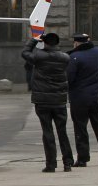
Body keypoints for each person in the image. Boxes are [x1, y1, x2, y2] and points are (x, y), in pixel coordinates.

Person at [22, 33, 74, 173]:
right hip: (59, 100)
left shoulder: (39, 57)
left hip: (43, 101)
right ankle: (68, 162)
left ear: (44, 43)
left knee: (47, 132)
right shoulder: (65, 58)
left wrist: (34, 40)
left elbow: (25, 53)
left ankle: (51, 164)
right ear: (57, 43)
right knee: (62, 132)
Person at [67, 34, 98, 167]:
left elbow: (69, 78)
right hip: (96, 97)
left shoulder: (74, 58)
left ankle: (83, 158)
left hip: (79, 98)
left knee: (80, 128)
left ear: (76, 43)